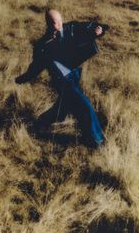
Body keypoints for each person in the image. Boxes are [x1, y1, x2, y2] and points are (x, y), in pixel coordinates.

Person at [15, 9, 108, 148]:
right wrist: (23, 78)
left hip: (74, 75)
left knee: (63, 108)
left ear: (62, 20)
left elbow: (91, 26)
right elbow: (36, 66)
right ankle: (97, 140)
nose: (56, 26)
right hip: (61, 81)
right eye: (52, 23)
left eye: (58, 22)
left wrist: (99, 30)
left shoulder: (71, 28)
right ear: (47, 23)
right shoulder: (42, 45)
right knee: (83, 105)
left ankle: (41, 123)